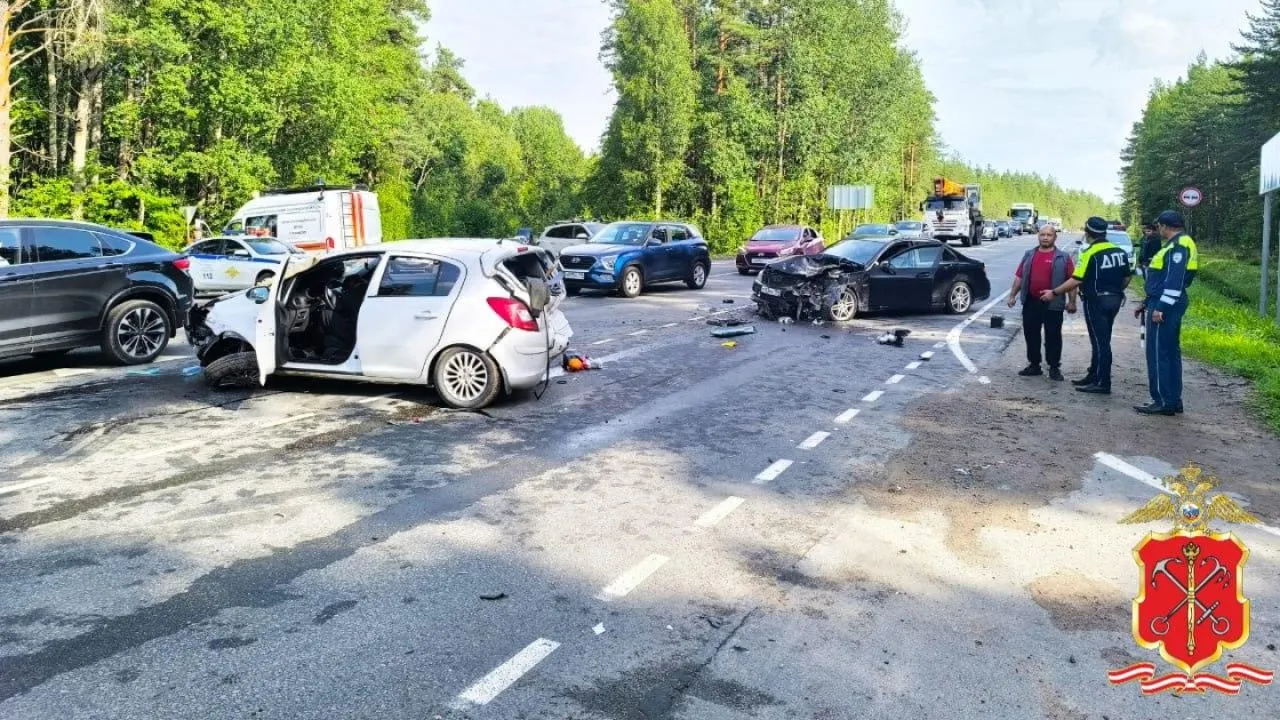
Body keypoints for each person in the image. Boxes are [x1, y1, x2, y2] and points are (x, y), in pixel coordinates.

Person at [1040, 216, 1132, 395]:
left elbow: (1076, 279)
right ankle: (1093, 374)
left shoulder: (1090, 253)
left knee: (1100, 342)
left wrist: (1054, 292)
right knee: (1102, 339)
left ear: (1088, 233)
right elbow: (1127, 276)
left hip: (1096, 301)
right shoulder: (1118, 251)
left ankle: (1103, 382)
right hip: (1114, 300)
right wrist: (1116, 290)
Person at [1134, 210, 1199, 416]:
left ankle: (1163, 400)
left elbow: (1174, 280)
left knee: (1158, 353)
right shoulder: (1179, 243)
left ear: (1164, 226)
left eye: (1159, 226)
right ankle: (1172, 399)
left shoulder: (1178, 245)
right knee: (1170, 353)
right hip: (1163, 300)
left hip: (1166, 304)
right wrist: (1147, 301)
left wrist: (1161, 307)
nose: (1158, 229)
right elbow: (1164, 280)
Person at [1008, 225, 1076, 380]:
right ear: (1038, 236)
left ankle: (1054, 367)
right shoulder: (1029, 255)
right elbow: (1019, 277)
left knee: (1053, 336)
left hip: (1054, 303)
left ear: (1054, 237)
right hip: (1031, 302)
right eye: (1042, 234)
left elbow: (1072, 281)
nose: (1045, 237)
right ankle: (1034, 365)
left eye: (1049, 235)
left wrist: (1072, 302)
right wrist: (1012, 296)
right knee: (1031, 334)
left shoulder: (1063, 257)